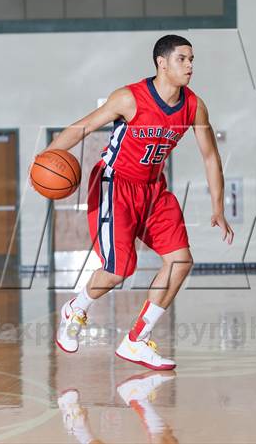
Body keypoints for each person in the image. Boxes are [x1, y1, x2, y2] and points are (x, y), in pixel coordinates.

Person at [40, 34, 234, 370]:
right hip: (114, 185)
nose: (190, 66)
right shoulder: (129, 98)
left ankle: (136, 341)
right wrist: (45, 156)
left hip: (153, 190)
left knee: (180, 261)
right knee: (119, 270)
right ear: (162, 62)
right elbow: (81, 128)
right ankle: (76, 308)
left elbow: (210, 157)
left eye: (192, 60)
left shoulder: (194, 105)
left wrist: (218, 206)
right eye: (182, 59)